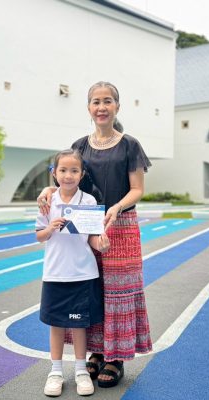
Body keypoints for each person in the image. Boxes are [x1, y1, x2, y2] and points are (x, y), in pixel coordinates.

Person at [37, 81, 152, 389]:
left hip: (121, 225)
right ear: (88, 108)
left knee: (119, 292)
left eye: (107, 101)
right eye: (96, 102)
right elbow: (67, 177)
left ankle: (116, 358)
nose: (102, 107)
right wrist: (48, 189)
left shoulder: (130, 145)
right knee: (92, 290)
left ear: (117, 106)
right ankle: (97, 352)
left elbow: (138, 189)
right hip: (84, 225)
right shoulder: (80, 146)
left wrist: (116, 208)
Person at [36, 148, 110, 397]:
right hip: (55, 274)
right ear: (54, 173)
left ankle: (81, 371)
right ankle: (55, 372)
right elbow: (39, 236)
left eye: (74, 170)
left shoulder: (88, 202)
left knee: (80, 325)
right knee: (56, 325)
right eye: (63, 170)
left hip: (83, 274)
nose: (68, 175)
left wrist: (101, 244)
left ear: (82, 174)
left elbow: (92, 238)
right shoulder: (47, 202)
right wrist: (50, 229)